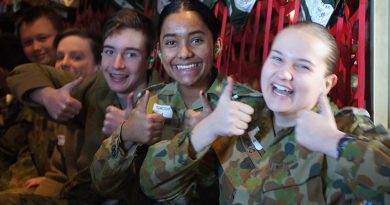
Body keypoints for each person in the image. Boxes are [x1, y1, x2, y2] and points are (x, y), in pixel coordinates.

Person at [140, 21, 390, 204]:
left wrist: (336, 144)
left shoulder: (347, 126)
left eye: (302, 66)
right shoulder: (244, 115)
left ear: (327, 84)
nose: (284, 73)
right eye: (277, 59)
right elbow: (154, 185)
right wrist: (207, 129)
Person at [90, 0, 264, 204]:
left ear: (217, 44)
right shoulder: (150, 101)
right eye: (171, 43)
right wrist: (126, 134)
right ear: (160, 51)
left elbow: (257, 188)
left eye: (197, 40)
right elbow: (101, 183)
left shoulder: (249, 105)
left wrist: (213, 137)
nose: (184, 53)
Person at [2, 8, 159, 204]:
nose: (116, 64)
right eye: (110, 52)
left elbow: (147, 190)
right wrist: (48, 96)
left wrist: (124, 137)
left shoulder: (163, 106)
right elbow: (22, 73)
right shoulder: (97, 86)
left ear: (150, 58)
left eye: (130, 54)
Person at [0, 28, 101, 194]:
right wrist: (48, 96)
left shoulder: (101, 103)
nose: (65, 63)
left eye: (76, 57)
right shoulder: (56, 99)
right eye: (60, 57)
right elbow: (58, 172)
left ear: (99, 66)